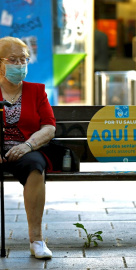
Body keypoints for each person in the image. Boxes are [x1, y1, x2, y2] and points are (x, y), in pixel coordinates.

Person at [0, 37, 56, 259]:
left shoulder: (36, 91)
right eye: (13, 59)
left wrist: (28, 145)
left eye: (24, 59)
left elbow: (49, 126)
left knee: (35, 166)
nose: (20, 64)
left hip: (25, 149)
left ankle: (37, 240)